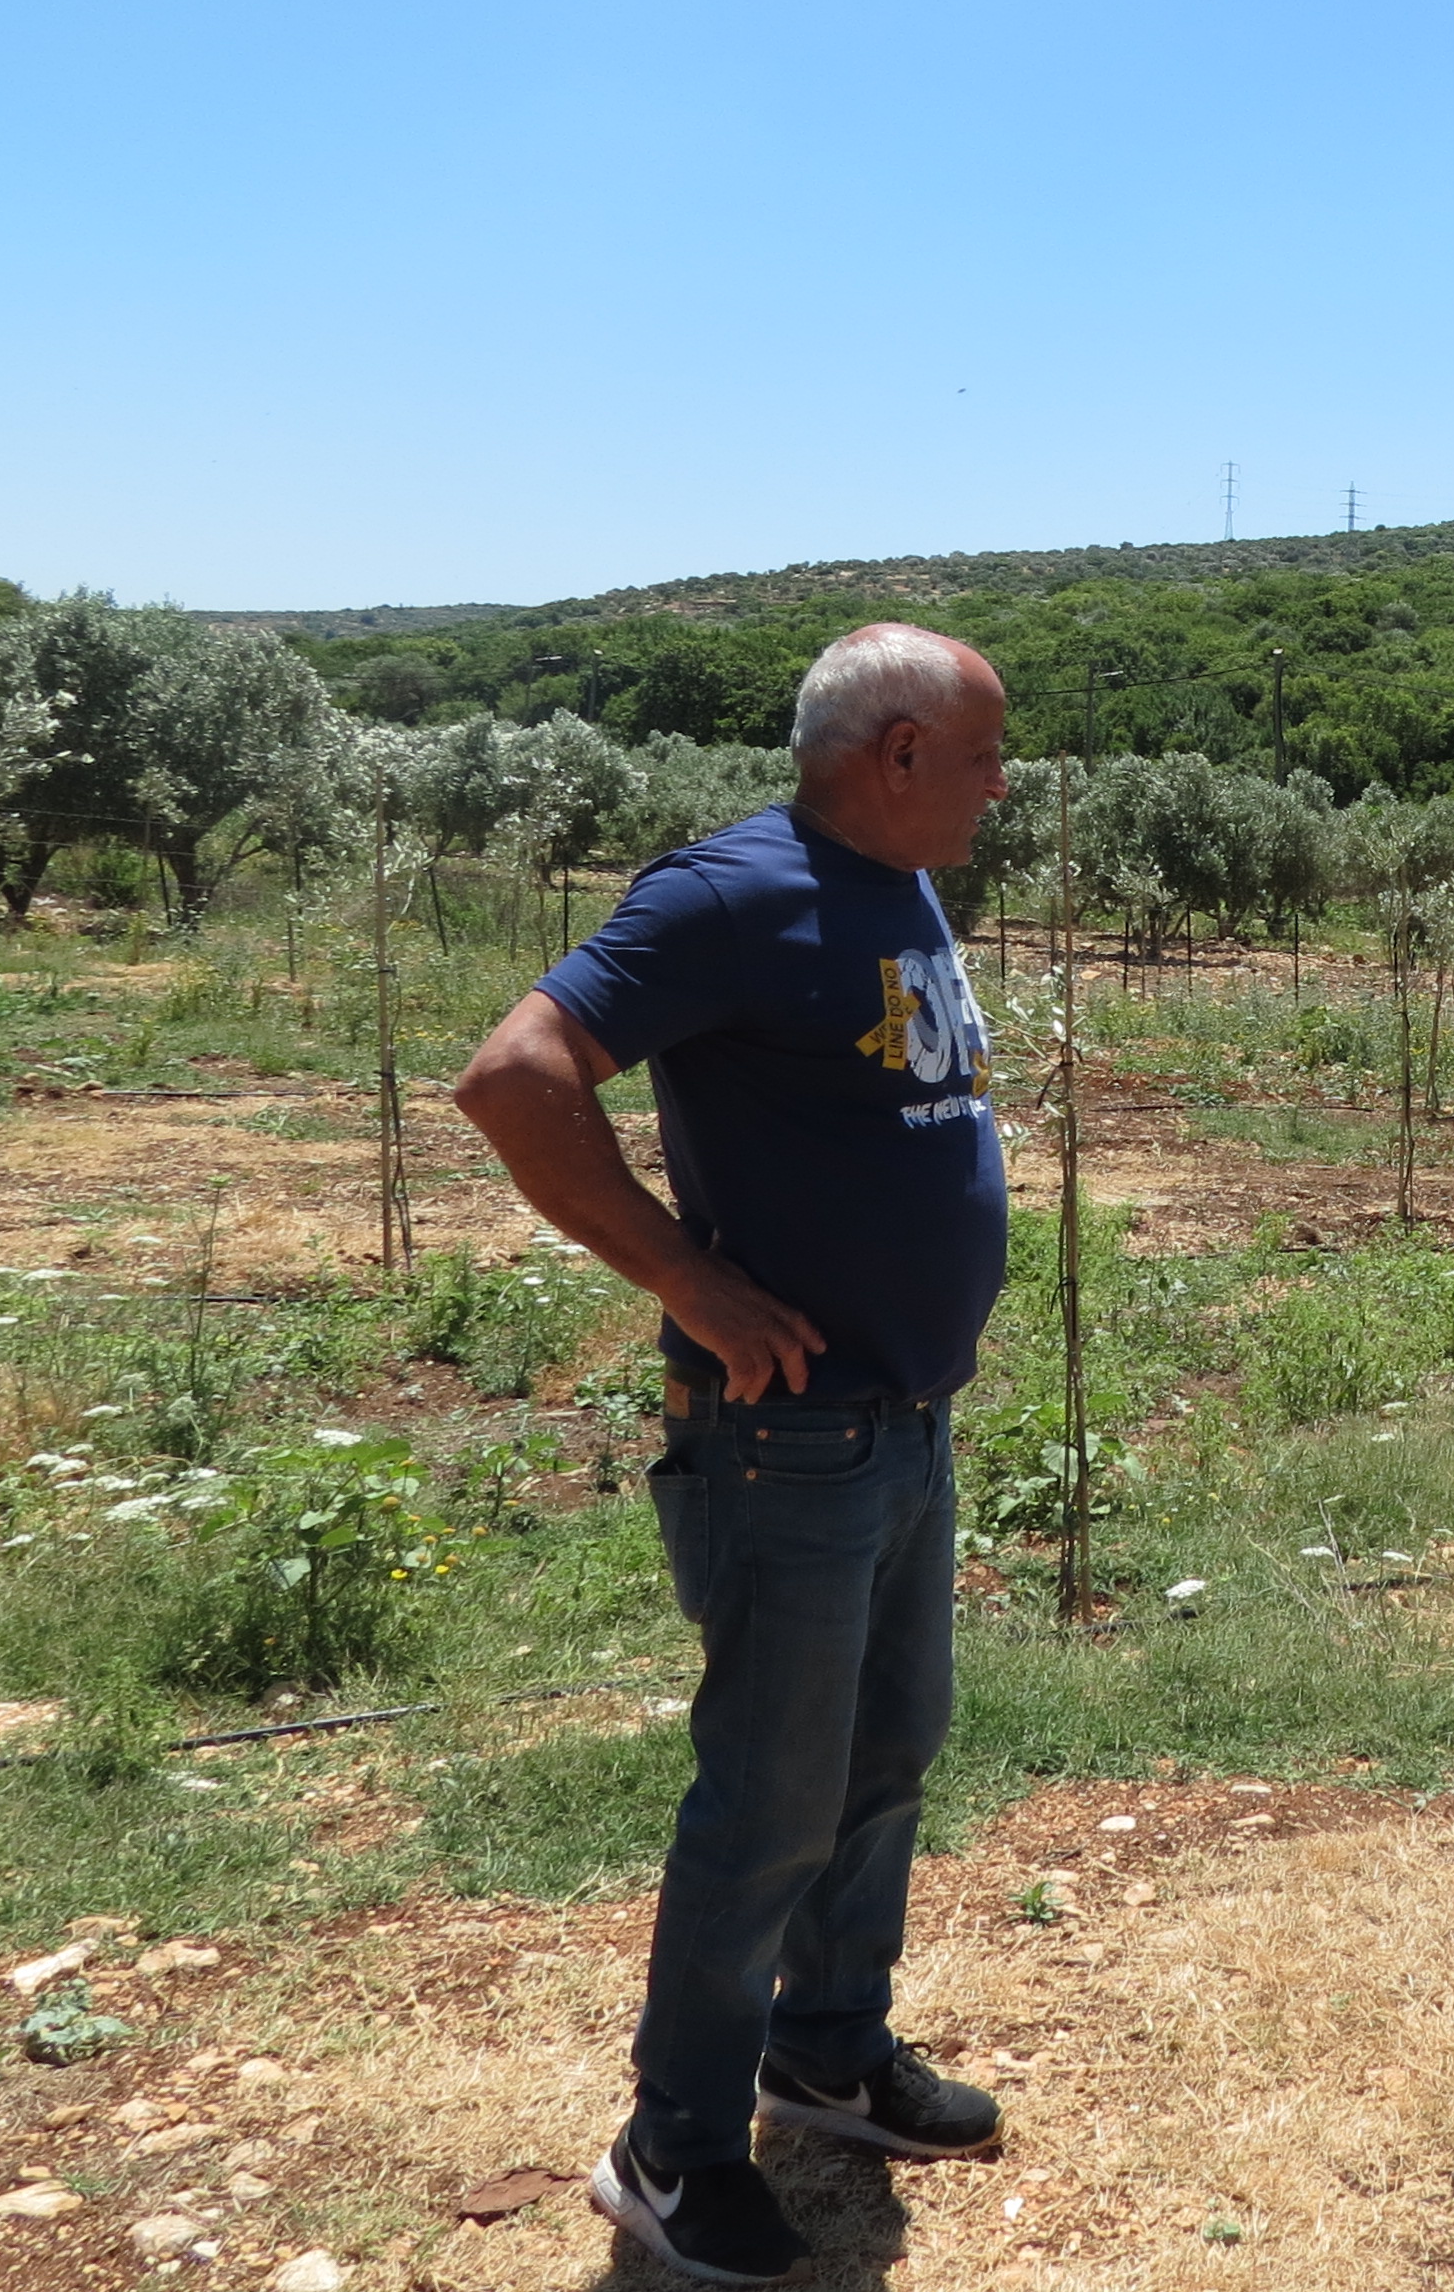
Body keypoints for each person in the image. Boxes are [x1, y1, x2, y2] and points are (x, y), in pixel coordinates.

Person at [454, 621, 1016, 2285]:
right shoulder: (727, 893)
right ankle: (676, 2148)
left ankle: (827, 2054)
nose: (1002, 785)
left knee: (884, 1758)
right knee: (767, 1806)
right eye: (984, 754)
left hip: (901, 1422)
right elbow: (514, 1075)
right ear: (895, 751)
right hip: (789, 1444)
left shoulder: (902, 881)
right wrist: (685, 1278)